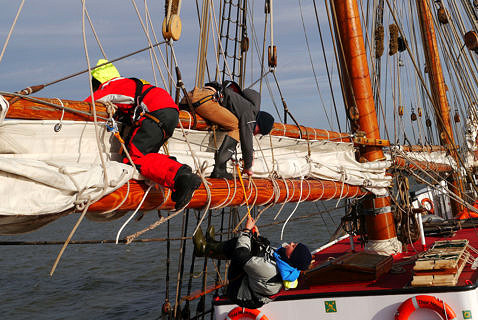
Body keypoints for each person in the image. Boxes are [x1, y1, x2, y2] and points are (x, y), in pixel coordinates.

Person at [85, 59, 201, 210]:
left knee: (134, 159)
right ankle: (181, 175)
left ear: (99, 81)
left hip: (155, 114)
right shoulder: (131, 82)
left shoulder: (110, 86)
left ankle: (181, 177)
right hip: (169, 113)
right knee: (148, 155)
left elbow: (88, 105)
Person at [193, 216, 312, 308]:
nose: (291, 243)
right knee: (250, 241)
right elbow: (266, 249)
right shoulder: (284, 260)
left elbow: (241, 256)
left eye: (294, 246)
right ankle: (211, 245)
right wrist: (257, 235)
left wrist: (247, 230)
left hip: (240, 292)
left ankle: (203, 249)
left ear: (291, 256)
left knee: (242, 245)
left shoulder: (271, 270)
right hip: (252, 282)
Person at [180, 81, 275, 179]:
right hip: (204, 100)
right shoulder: (251, 113)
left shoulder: (243, 106)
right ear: (259, 123)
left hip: (192, 97)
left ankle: (220, 166)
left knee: (233, 123)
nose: (255, 134)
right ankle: (220, 168)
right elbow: (246, 139)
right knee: (236, 127)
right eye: (259, 132)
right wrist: (248, 166)